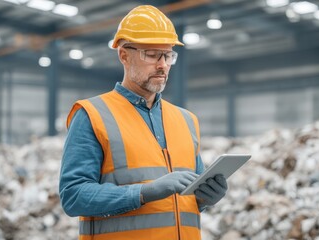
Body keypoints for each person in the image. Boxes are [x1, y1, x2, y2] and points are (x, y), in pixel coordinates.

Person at [59, 5, 228, 240]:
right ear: (123, 55)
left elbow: (186, 199)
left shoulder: (186, 120)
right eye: (152, 54)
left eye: (168, 55)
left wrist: (205, 197)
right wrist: (145, 192)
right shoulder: (92, 115)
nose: (163, 65)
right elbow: (73, 196)